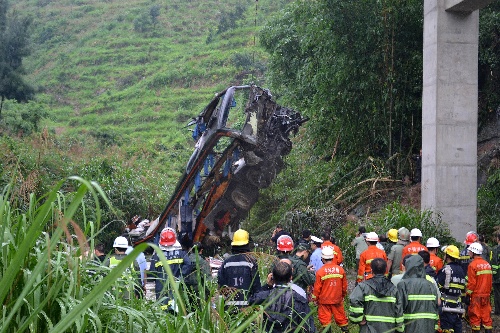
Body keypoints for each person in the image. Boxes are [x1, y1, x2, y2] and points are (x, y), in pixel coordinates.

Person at [249, 261, 316, 333]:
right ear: (291, 278)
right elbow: (309, 326)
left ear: (272, 277)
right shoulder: (299, 299)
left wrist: (267, 286)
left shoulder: (263, 297)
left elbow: (250, 301)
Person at [349, 258, 404, 333]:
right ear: (386, 270)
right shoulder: (394, 289)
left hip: (368, 329)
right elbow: (399, 311)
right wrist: (400, 329)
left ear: (371, 270)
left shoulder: (363, 287)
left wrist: (358, 318)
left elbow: (354, 300)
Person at [149, 227, 192, 311]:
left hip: (161, 288)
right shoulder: (181, 253)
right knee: (177, 309)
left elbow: (152, 274)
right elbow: (188, 264)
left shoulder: (156, 256)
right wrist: (180, 277)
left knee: (163, 310)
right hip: (177, 286)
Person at [218, 229, 261, 309]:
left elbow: (221, 285)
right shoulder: (251, 262)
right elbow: (256, 288)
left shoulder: (226, 262)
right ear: (247, 244)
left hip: (229, 308)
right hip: (247, 308)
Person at [396, 255, 439, 333]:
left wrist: (399, 328)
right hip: (429, 327)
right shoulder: (431, 285)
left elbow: (399, 308)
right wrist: (435, 326)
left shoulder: (403, 284)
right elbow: (435, 307)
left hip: (409, 328)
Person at [312, 247, 349, 333]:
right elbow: (344, 286)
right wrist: (342, 296)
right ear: (332, 258)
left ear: (322, 259)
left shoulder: (320, 271)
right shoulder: (340, 270)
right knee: (341, 317)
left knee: (325, 319)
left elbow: (317, 288)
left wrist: (314, 299)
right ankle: (345, 331)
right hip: (337, 299)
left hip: (324, 301)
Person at [435, 245, 466, 333]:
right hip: (458, 307)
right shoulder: (461, 270)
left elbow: (438, 287)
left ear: (447, 256)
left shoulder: (446, 270)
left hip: (446, 307)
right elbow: (463, 288)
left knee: (446, 330)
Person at [465, 242, 493, 333]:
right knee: (487, 318)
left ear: (473, 252)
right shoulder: (487, 265)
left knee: (475, 318)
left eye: (470, 251)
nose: (468, 253)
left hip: (476, 296)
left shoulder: (472, 265)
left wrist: (467, 294)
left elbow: (472, 283)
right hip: (486, 295)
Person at [492, 232, 500, 315]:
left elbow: (494, 264)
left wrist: (493, 276)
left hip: (498, 276)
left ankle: (498, 311)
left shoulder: (496, 249)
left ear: (498, 239)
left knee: (497, 294)